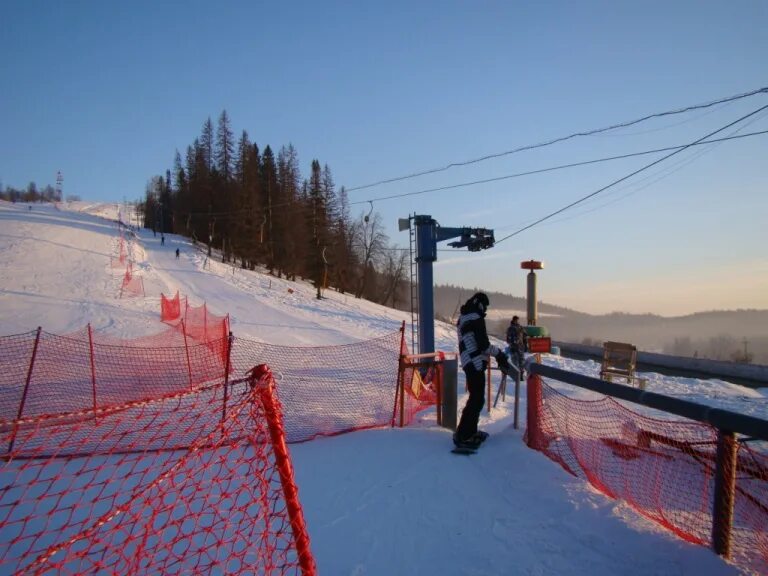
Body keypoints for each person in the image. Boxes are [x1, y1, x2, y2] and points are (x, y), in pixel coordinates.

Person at [454, 292, 512, 449]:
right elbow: (483, 345)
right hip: (475, 362)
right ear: (480, 304)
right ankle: (465, 434)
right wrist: (499, 354)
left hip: (467, 361)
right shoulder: (476, 318)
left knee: (475, 398)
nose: (485, 309)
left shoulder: (464, 317)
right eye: (485, 306)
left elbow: (472, 341)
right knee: (477, 399)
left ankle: (466, 431)